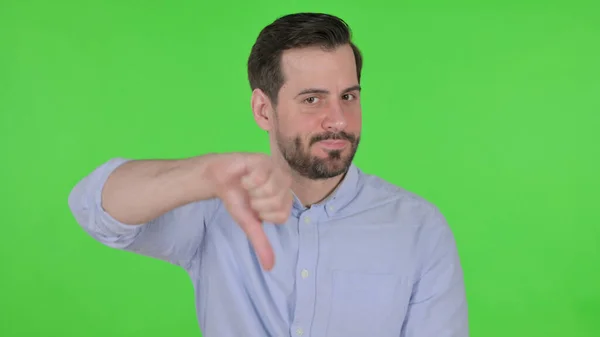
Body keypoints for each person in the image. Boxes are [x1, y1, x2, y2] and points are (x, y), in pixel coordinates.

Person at [68, 12, 469, 337]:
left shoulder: (419, 227)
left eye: (348, 96)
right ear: (263, 110)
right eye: (312, 99)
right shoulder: (216, 207)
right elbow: (96, 209)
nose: (338, 119)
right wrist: (203, 175)